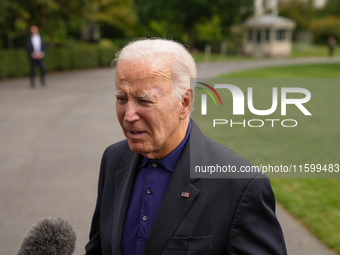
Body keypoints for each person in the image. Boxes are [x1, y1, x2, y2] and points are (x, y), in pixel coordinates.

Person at [85, 38, 287, 255]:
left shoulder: (240, 185)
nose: (128, 115)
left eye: (144, 101)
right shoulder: (113, 159)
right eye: (121, 98)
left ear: (184, 103)